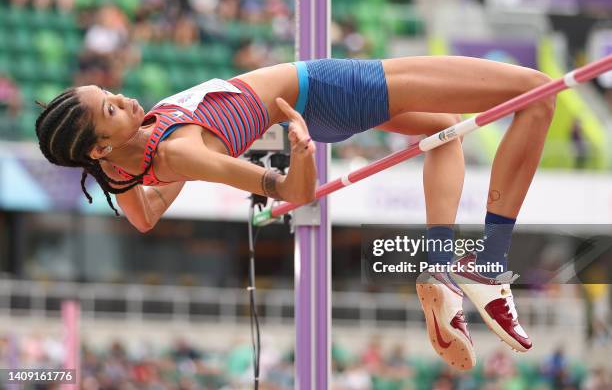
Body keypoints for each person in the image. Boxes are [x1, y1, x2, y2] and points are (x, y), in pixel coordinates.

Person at [35, 56, 556, 370]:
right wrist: (300, 154)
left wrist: (296, 149)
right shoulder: (177, 153)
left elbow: (144, 216)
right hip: (325, 89)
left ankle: (442, 267)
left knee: (444, 130)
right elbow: (288, 190)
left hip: (312, 108)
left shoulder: (126, 169)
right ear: (98, 150)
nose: (125, 99)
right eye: (111, 109)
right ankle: (487, 261)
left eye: (110, 95)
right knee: (536, 91)